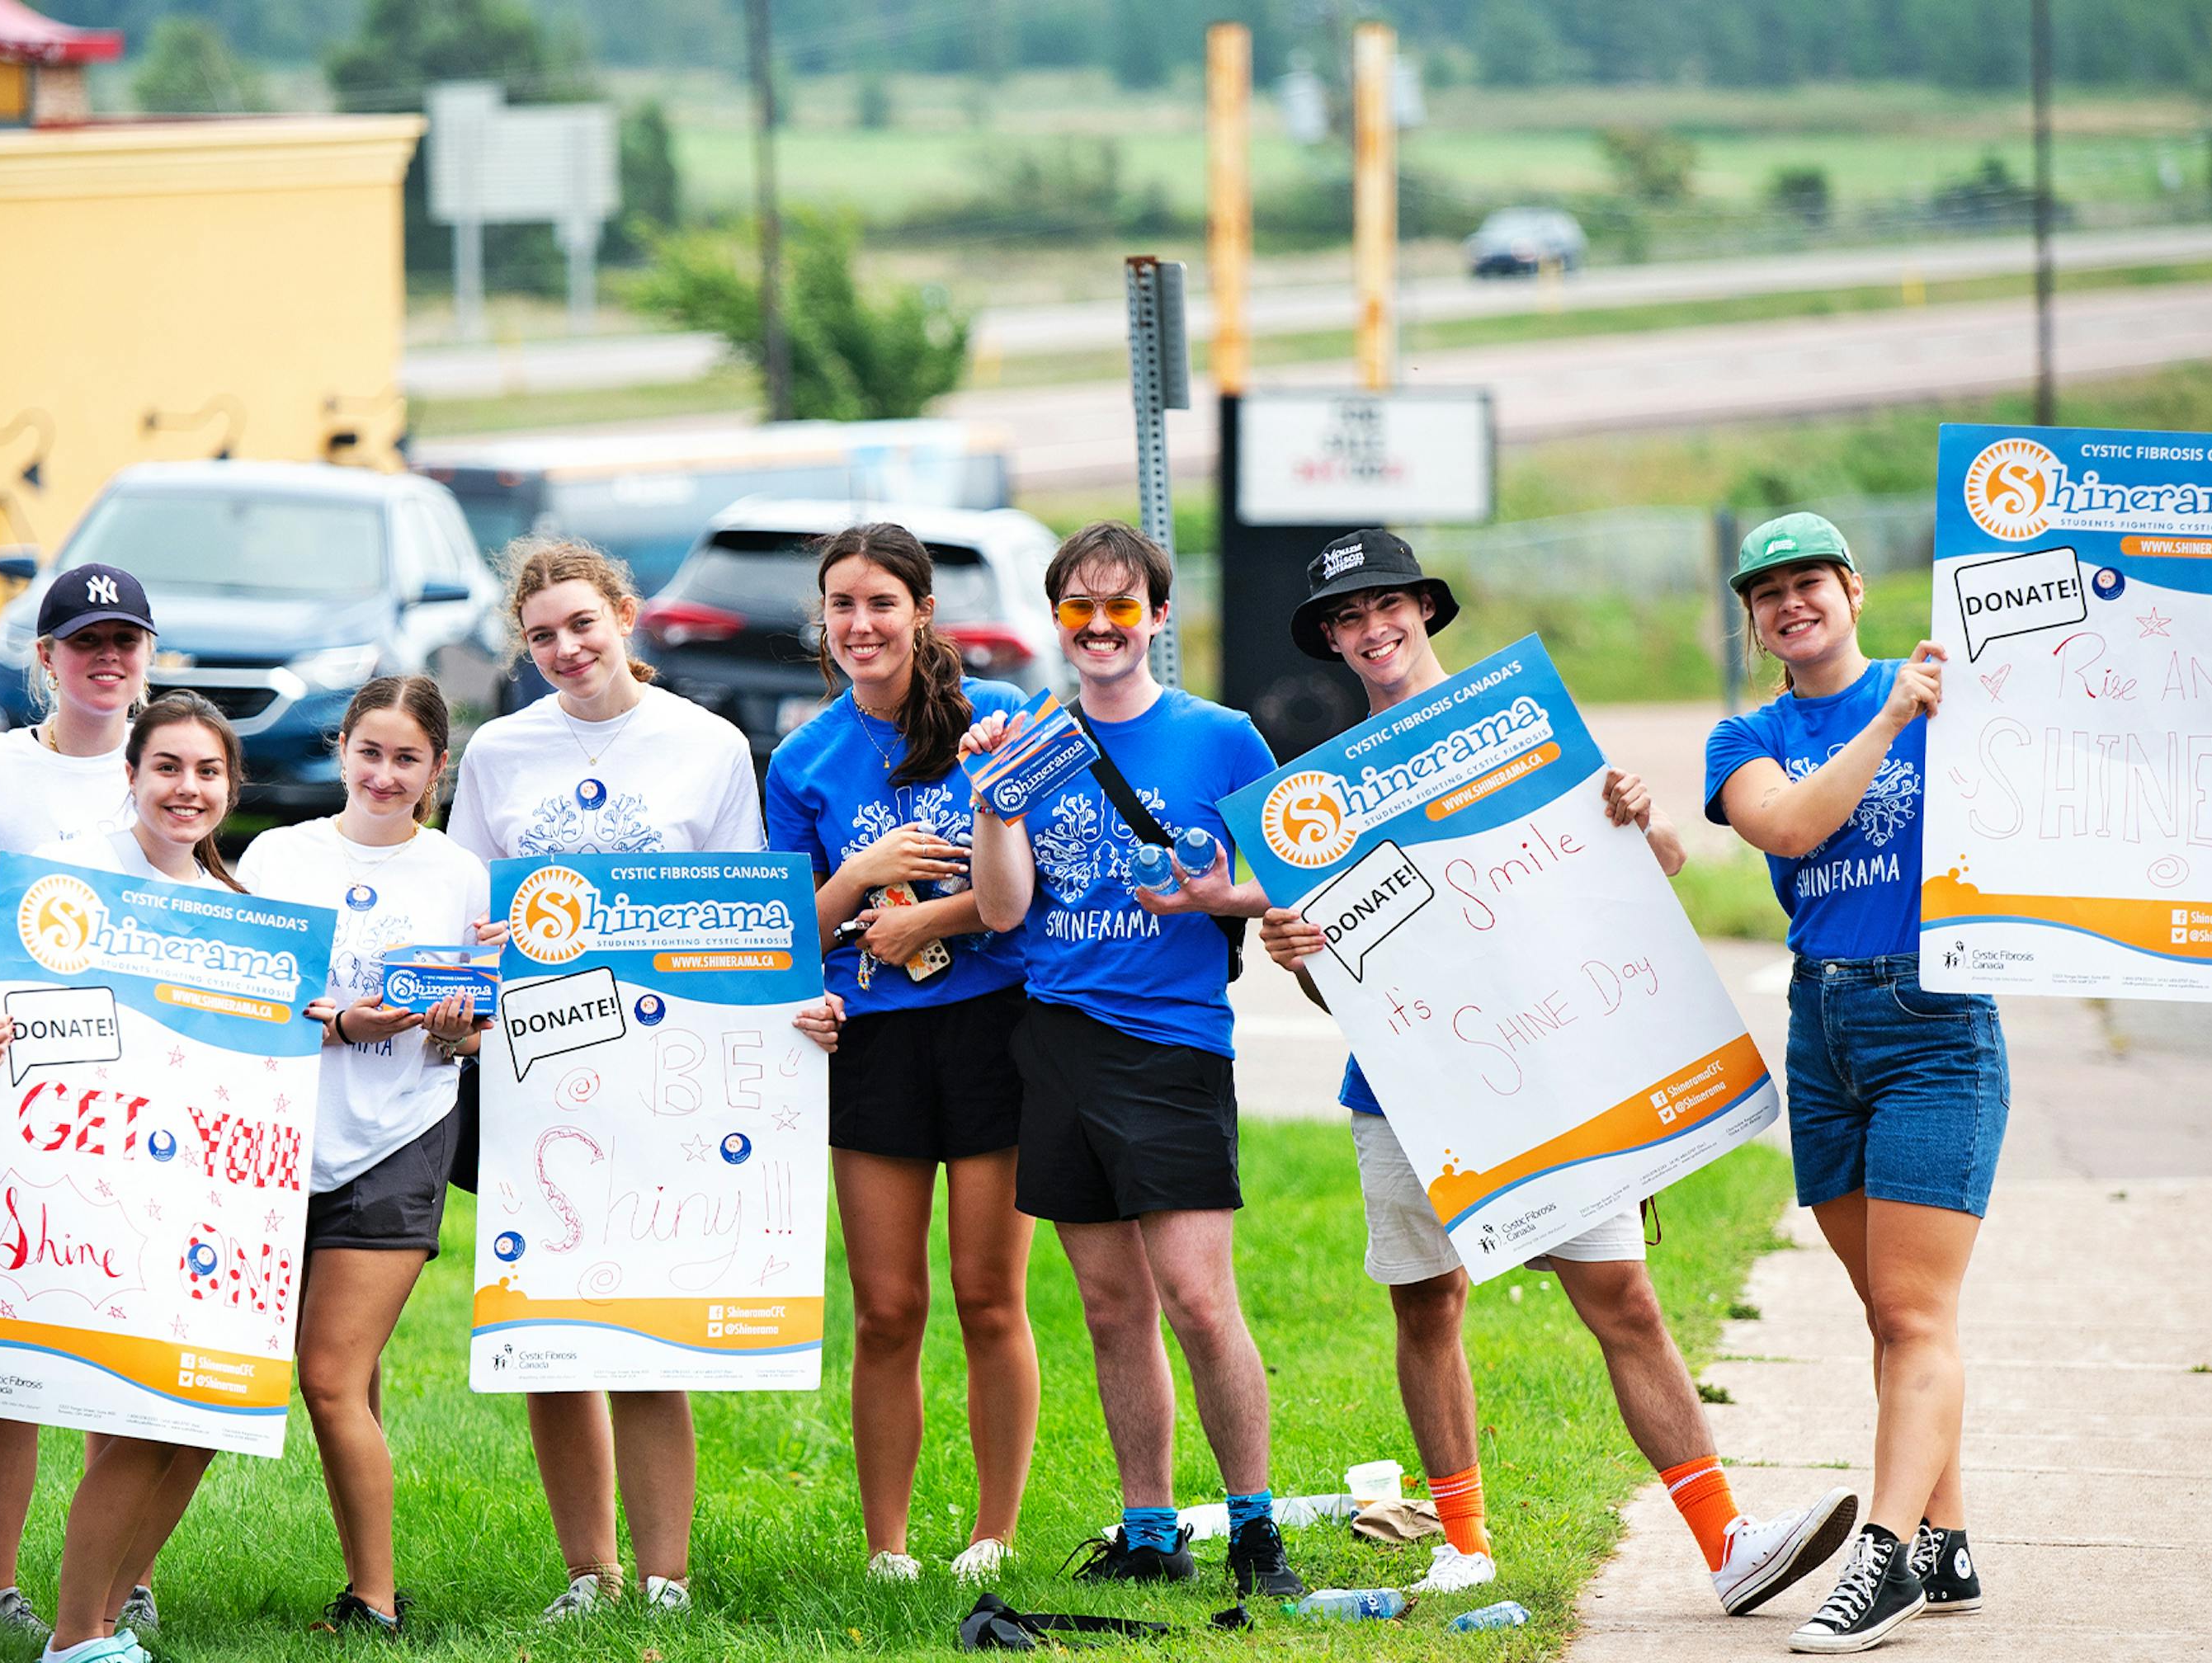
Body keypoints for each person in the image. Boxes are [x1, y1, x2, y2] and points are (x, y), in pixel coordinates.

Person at [1704, 512, 2212, 1653]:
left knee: (1913, 1311)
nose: (1792, 604)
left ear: (1853, 590)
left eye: (1811, 583)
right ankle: (1949, 1546)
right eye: (1768, 592)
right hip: (1823, 1025)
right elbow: (1789, 829)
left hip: (1937, 1023)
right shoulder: (1748, 733)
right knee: (1887, 1320)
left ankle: (1882, 1564)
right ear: (1753, 619)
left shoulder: (1957, 683)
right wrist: (1893, 720)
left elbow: (2124, 706)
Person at [1252, 531, 1859, 1617]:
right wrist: (1299, 957)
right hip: (1404, 1092)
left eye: (1387, 605)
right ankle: (1464, 1544)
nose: (1371, 629)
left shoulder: (1520, 726)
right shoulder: (1318, 799)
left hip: (1564, 1073)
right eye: (1348, 618)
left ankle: (1728, 1545)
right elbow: (1339, 995)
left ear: (1424, 612)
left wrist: (1646, 820)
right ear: (1335, 641)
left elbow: (1642, 874)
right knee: (1427, 1308)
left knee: (1625, 1299)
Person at [447, 535, 842, 1618]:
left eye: (582, 623)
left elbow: (747, 924)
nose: (566, 649)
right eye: (541, 637)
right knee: (550, 1334)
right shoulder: (494, 755)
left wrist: (784, 1018)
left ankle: (663, 1579)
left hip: (672, 1071)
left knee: (649, 1328)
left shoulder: (707, 745)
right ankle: (591, 1573)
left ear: (624, 614)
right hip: (542, 1073)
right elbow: (466, 913)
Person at [955, 521, 1302, 1600]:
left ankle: (1257, 1528)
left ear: (1158, 616)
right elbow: (1007, 911)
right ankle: (1151, 1527)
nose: (1099, 628)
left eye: (1121, 607)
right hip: (1056, 1041)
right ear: (1055, 621)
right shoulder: (1030, 741)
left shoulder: (1224, 738)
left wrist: (1220, 897)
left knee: (1199, 1299)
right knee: (1110, 1308)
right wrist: (991, 807)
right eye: (1077, 609)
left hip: (1172, 1044)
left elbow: (1302, 875)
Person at [0, 692, 258, 1663]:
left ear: (231, 789)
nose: (186, 789)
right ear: (131, 775)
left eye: (207, 772)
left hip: (191, 1203)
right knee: (102, 1402)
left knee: (195, 1417)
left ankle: (106, 1611)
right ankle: (75, 1637)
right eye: (167, 767)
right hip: (61, 1189)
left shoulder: (236, 915)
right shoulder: (67, 880)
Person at [762, 525, 1040, 1585]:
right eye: (841, 605)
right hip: (871, 1042)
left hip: (989, 1035)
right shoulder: (802, 758)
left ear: (922, 611)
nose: (860, 624)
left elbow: (1032, 897)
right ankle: (888, 1549)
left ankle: (992, 1533)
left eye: (881, 602)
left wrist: (934, 919)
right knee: (887, 1308)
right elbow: (788, 930)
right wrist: (862, 881)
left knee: (986, 1296)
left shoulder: (995, 725)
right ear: (824, 622)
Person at [0, 563, 169, 1640]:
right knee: (7, 1358)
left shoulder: (172, 768)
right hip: (13, 1105)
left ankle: (116, 1566)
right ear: (47, 660)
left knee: (123, 1337)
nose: (107, 660)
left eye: (126, 641)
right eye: (86, 643)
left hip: (146, 1115)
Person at [236, 678, 490, 1637]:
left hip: (400, 1134)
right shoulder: (276, 856)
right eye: (370, 752)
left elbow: (469, 1034)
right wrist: (342, 1022)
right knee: (342, 1378)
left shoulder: (458, 872)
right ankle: (363, 1576)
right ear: (343, 747)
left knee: (330, 1375)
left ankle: (374, 1603)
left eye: (408, 759)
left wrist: (462, 1027)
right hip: (275, 1136)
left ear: (436, 769)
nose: (385, 775)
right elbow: (247, 996)